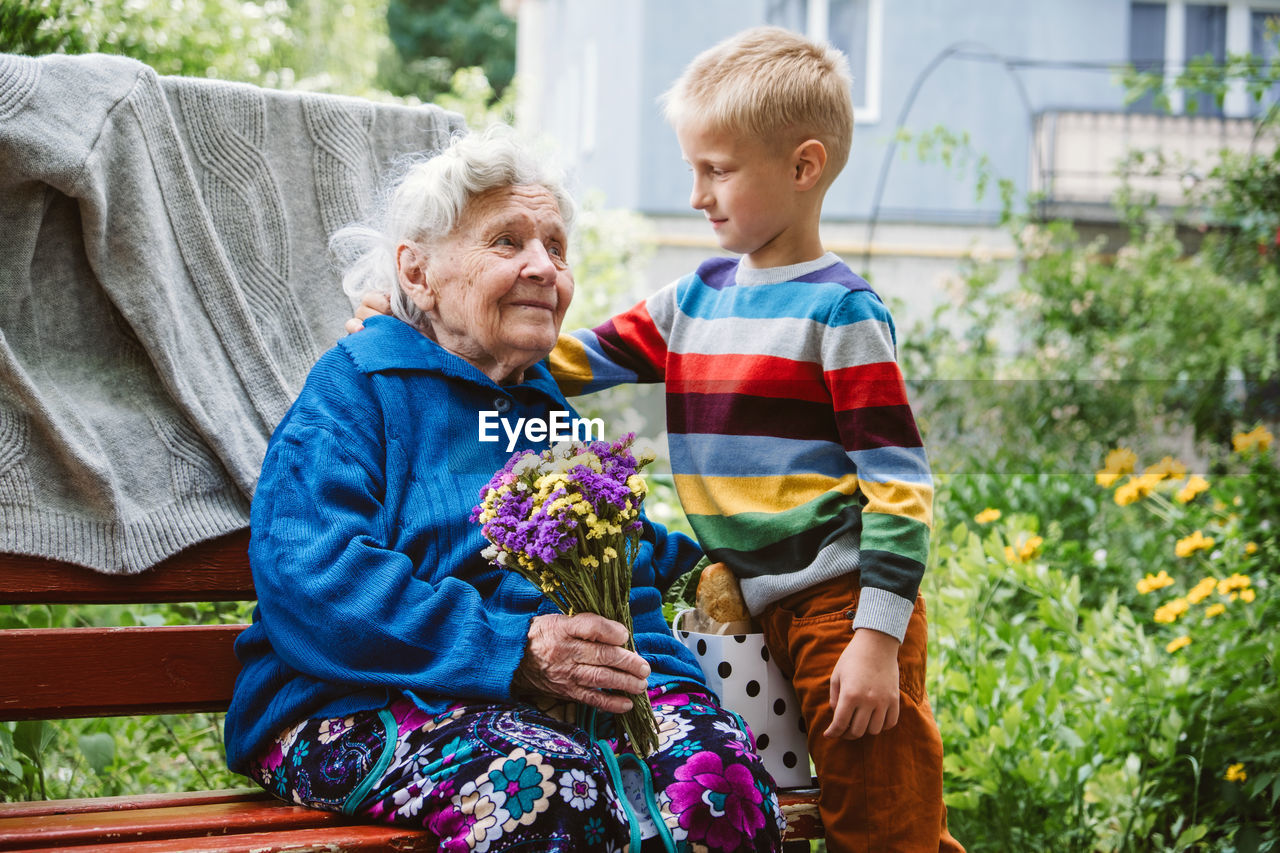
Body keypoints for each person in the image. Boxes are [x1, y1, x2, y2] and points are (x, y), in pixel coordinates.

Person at [354, 28, 966, 853]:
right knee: (777, 800)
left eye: (719, 170)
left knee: (881, 813)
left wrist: (877, 637)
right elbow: (566, 358)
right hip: (745, 599)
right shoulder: (696, 297)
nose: (698, 194)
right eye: (693, 170)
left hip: (838, 599)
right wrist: (428, 335)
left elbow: (898, 484)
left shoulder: (843, 315)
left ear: (803, 166)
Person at [225, 127, 786, 853]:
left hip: (563, 702)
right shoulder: (358, 389)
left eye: (555, 246)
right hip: (360, 697)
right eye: (507, 242)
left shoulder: (550, 414)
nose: (542, 267)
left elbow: (633, 560)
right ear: (418, 274)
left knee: (720, 785)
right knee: (541, 787)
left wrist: (698, 652)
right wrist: (512, 647)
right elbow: (314, 579)